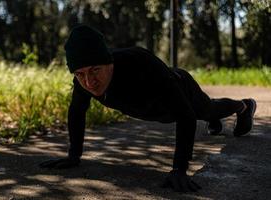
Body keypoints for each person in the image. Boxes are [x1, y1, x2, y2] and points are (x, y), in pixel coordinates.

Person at [39, 25, 257, 192]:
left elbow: (185, 115)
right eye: (80, 74)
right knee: (205, 113)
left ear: (109, 62)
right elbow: (76, 111)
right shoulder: (83, 82)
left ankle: (244, 106)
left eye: (95, 70)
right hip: (156, 108)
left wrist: (179, 169)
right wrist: (73, 156)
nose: (89, 82)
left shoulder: (140, 63)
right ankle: (215, 120)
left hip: (180, 88)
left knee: (207, 109)